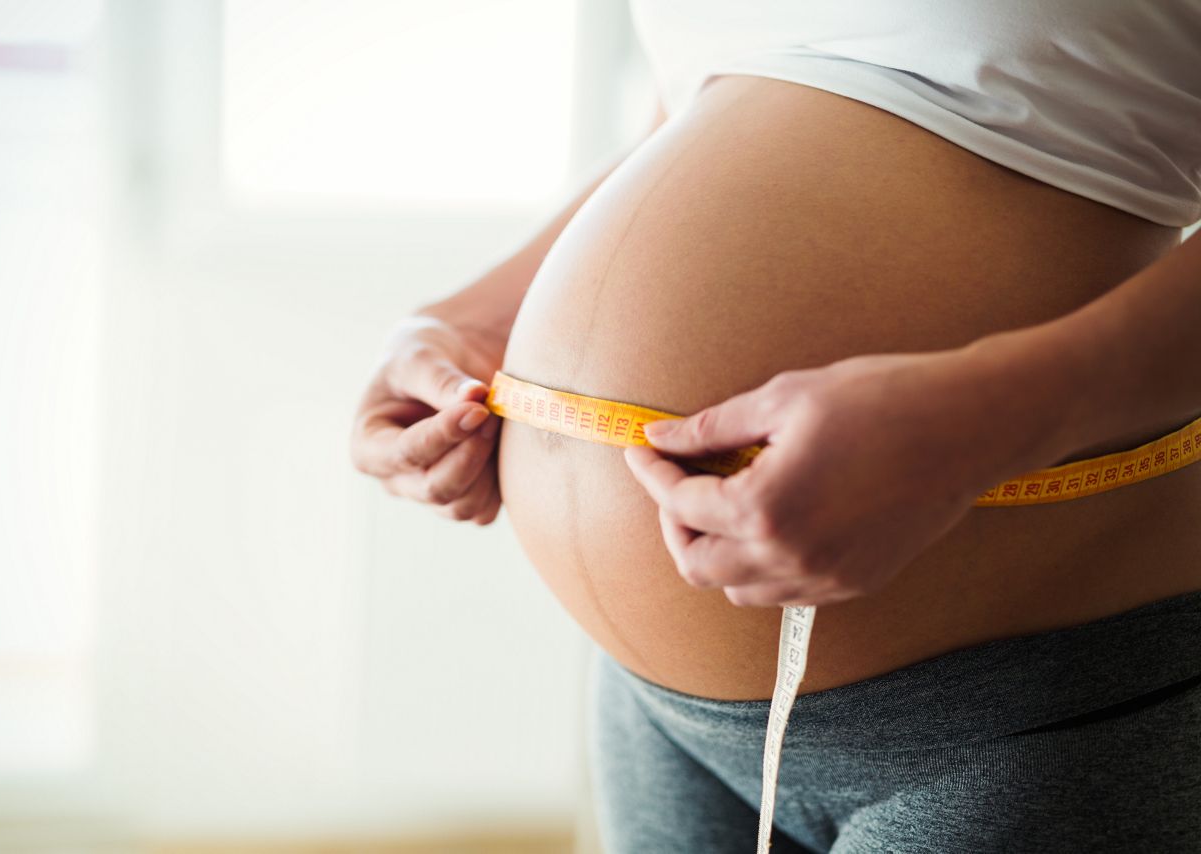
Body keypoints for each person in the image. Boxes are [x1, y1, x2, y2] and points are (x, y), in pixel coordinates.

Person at [350, 3, 1201, 851]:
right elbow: (709, 105)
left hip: (1021, 708)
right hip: (658, 713)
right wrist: (478, 318)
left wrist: (985, 424)